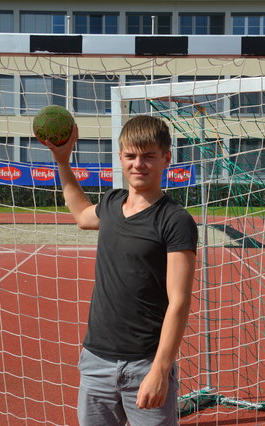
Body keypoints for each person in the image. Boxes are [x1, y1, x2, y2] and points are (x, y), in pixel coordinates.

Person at [44, 115, 198, 426]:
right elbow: (82, 216)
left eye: (148, 156)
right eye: (130, 155)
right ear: (121, 157)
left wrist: (160, 370)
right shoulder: (112, 204)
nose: (138, 164)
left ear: (166, 158)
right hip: (96, 360)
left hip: (144, 365)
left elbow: (179, 302)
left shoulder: (175, 220)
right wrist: (62, 162)